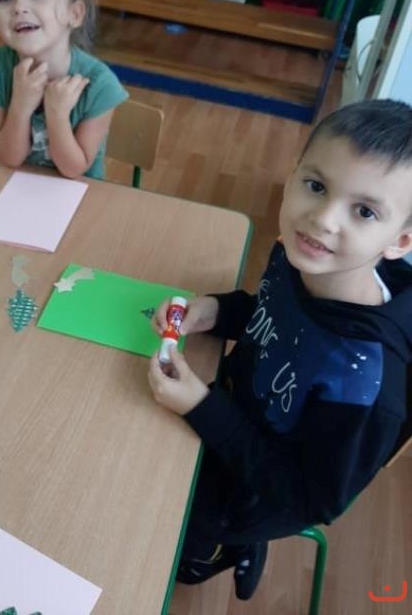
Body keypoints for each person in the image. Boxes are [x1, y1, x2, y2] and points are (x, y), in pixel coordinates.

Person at [148, 99, 412, 600]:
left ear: (398, 241)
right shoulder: (303, 255)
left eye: (364, 211)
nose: (322, 219)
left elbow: (311, 499)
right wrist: (216, 311)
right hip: (228, 416)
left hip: (254, 493)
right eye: (316, 186)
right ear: (291, 178)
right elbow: (275, 317)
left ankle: (229, 550)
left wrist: (201, 407)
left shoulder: (364, 382)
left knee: (179, 549)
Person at [0, 0, 128, 179]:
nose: (19, 7)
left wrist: (56, 114)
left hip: (79, 195)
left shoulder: (100, 84)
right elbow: (9, 158)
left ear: (74, 14)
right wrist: (20, 106)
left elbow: (73, 169)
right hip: (16, 188)